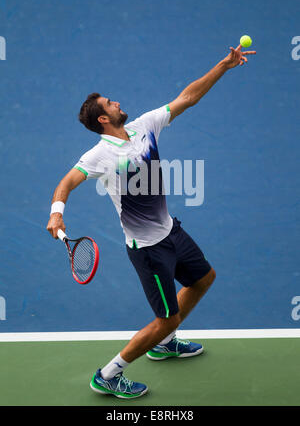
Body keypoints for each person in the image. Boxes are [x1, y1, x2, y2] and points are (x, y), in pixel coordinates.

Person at [47, 44, 256, 399]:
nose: (117, 103)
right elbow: (67, 181)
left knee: (204, 279)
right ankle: (109, 374)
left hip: (171, 231)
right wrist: (57, 211)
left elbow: (188, 97)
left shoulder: (145, 126)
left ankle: (165, 344)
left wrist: (223, 66)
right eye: (110, 104)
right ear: (103, 119)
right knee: (166, 319)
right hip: (148, 250)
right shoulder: (99, 155)